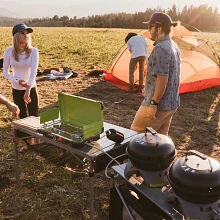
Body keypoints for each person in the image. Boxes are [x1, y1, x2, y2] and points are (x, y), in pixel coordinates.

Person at [130, 12, 181, 136]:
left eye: (150, 27)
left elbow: (162, 79)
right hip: (171, 104)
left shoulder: (160, 48)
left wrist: (153, 104)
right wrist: (148, 90)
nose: (149, 31)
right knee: (160, 143)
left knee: (134, 136)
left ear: (159, 28)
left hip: (159, 106)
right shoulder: (173, 45)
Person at [3, 23, 40, 145]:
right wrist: (17, 80)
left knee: (34, 115)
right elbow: (5, 73)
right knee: (23, 116)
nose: (26, 35)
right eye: (22, 33)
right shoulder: (9, 52)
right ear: (16, 36)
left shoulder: (33, 51)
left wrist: (28, 88)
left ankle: (38, 142)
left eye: (27, 33)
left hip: (31, 88)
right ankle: (29, 143)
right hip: (16, 88)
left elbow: (34, 71)